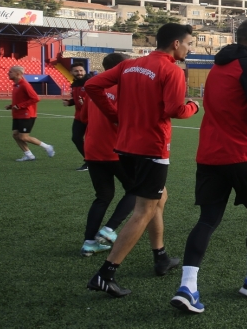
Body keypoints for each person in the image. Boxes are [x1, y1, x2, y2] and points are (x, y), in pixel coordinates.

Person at [170, 18, 247, 314]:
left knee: (208, 219)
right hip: (245, 154)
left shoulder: (219, 66)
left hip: (211, 154)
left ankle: (188, 286)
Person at [84, 23, 200, 297]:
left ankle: (160, 257)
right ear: (175, 44)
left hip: (125, 147)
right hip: (152, 148)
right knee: (144, 209)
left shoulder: (130, 65)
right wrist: (194, 107)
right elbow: (175, 110)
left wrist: (115, 115)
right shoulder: (171, 69)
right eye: (189, 43)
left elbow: (92, 85)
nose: (190, 48)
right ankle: (105, 273)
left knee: (158, 199)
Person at [79, 53, 136, 257]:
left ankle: (88, 242)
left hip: (93, 149)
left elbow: (84, 117)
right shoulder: (125, 89)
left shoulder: (94, 89)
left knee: (102, 197)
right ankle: (109, 230)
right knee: (136, 190)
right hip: (116, 149)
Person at [5, 66, 55, 161]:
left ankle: (47, 147)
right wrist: (11, 106)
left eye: (10, 72)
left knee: (23, 137)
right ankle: (29, 155)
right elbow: (21, 100)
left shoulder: (24, 84)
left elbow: (35, 98)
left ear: (18, 74)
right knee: (15, 135)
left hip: (26, 115)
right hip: (17, 114)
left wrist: (19, 106)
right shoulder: (16, 85)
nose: (8, 73)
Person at [62, 62, 91, 171]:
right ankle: (89, 160)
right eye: (76, 71)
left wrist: (86, 103)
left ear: (84, 71)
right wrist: (70, 102)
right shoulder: (75, 84)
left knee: (91, 141)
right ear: (71, 72)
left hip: (91, 117)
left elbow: (98, 98)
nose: (79, 73)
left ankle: (93, 161)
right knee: (76, 138)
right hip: (79, 117)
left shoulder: (90, 82)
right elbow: (77, 99)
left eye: (81, 71)